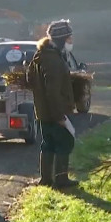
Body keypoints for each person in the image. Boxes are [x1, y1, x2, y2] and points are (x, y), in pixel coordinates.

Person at [27, 19, 78, 188]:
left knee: (47, 144)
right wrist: (59, 116)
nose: (71, 41)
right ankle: (61, 179)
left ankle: (46, 179)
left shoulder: (40, 56)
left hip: (42, 111)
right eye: (69, 37)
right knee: (65, 143)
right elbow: (53, 92)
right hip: (54, 112)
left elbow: (30, 80)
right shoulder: (54, 60)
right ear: (62, 39)